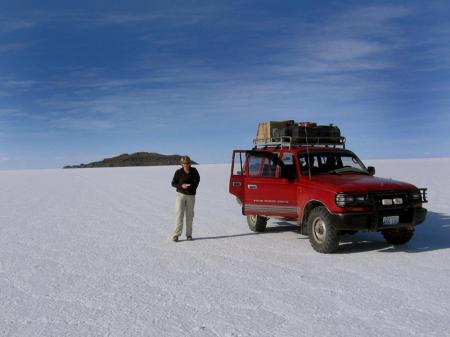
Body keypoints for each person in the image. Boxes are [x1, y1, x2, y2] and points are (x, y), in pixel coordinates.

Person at [171, 155, 200, 242]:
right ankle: (176, 235)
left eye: (187, 163)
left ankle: (189, 235)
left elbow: (197, 180)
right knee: (179, 214)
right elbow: (173, 183)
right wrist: (181, 186)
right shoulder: (178, 172)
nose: (185, 164)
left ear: (189, 163)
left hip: (191, 196)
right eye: (184, 163)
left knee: (190, 215)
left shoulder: (194, 171)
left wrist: (192, 187)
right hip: (180, 195)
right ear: (181, 164)